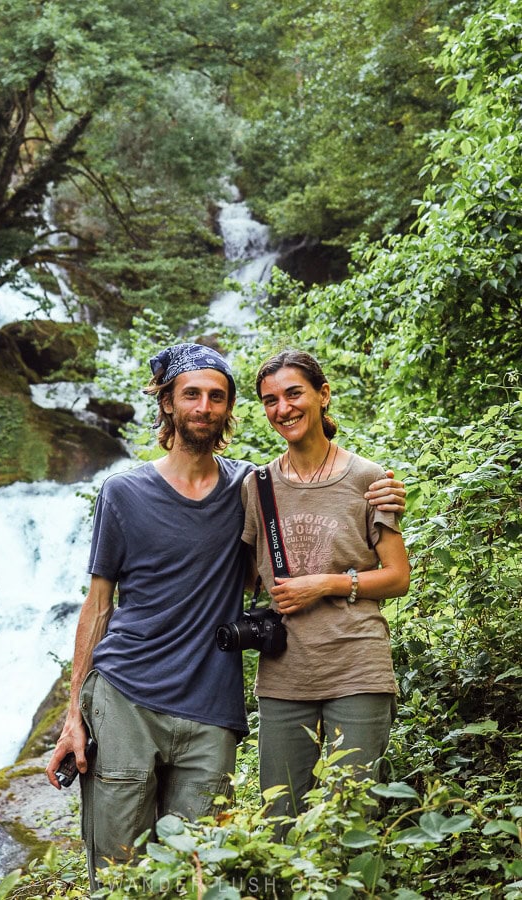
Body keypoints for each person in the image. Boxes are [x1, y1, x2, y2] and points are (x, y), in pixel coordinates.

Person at [45, 342, 405, 886]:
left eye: (218, 396)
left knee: (200, 875)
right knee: (119, 875)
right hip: (124, 700)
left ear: (230, 409)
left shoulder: (249, 486)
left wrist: (382, 489)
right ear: (167, 403)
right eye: (191, 394)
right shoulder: (124, 492)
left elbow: (318, 490)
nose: (204, 407)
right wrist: (74, 715)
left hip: (211, 711)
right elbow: (97, 607)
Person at [240, 349, 410, 826]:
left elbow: (397, 576)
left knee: (351, 818)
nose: (283, 409)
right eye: (270, 400)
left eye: (294, 394)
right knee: (279, 819)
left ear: (323, 395)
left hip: (356, 665)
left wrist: (325, 584)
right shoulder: (257, 485)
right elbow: (244, 576)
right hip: (283, 674)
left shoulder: (370, 478)